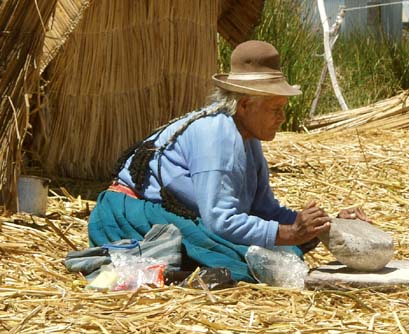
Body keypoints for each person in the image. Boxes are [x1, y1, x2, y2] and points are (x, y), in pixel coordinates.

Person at [87, 40, 370, 283]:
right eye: (275, 109)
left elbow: (263, 209)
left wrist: (324, 224)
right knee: (241, 262)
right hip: (129, 215)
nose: (281, 118)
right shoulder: (217, 135)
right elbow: (221, 221)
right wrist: (292, 233)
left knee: (274, 254)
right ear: (246, 104)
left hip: (178, 214)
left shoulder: (247, 136)